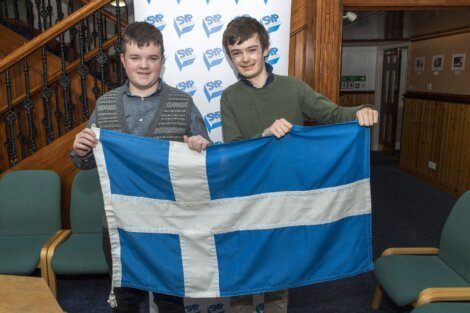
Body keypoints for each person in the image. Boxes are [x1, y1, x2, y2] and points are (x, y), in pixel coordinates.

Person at [220, 16, 378, 311]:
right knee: (242, 276)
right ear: (230, 58)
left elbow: (332, 114)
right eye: (237, 53)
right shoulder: (229, 97)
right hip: (246, 196)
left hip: (285, 196)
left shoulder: (293, 87)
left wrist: (362, 108)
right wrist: (264, 136)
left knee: (280, 277)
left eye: (251, 49)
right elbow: (232, 150)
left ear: (265, 49)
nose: (245, 58)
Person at [71, 21, 210, 313]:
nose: (144, 66)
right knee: (125, 302)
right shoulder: (106, 105)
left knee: (171, 301)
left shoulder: (183, 104)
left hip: (168, 226)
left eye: (152, 58)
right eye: (135, 57)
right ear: (123, 60)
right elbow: (85, 162)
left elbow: (205, 163)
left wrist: (200, 148)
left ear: (162, 60)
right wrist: (80, 150)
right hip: (118, 228)